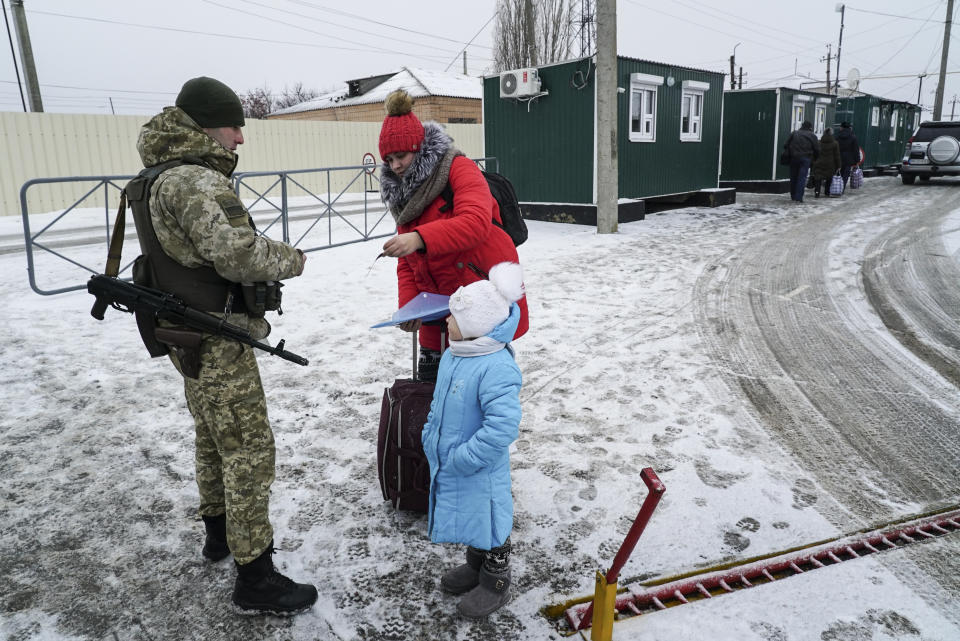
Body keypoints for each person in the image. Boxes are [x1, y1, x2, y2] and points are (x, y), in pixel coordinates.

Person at [134, 76, 317, 616]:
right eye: (234, 125)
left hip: (182, 331)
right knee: (248, 450)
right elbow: (238, 255)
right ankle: (255, 577)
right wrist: (292, 258)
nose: (240, 137)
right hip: (215, 336)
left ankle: (219, 533)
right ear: (207, 125)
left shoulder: (154, 177)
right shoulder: (193, 180)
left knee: (213, 436)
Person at [378, 89, 528, 382]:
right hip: (435, 308)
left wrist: (419, 238)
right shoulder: (402, 192)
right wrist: (410, 307)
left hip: (478, 299)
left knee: (478, 391)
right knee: (433, 393)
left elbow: (475, 222)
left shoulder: (459, 168)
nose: (395, 166)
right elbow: (407, 262)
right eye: (390, 159)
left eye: (401, 156)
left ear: (418, 148)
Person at [421, 262, 525, 619]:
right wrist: (429, 433)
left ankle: (496, 579)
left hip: (480, 465)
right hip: (456, 458)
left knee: (492, 519)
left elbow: (503, 426)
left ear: (475, 325)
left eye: (453, 317)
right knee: (472, 516)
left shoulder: (496, 367)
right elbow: (440, 401)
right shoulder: (455, 354)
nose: (446, 322)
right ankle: (475, 565)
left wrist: (467, 456)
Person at [784, 121, 820, 202]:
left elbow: (785, 145)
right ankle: (798, 197)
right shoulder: (812, 136)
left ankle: (793, 196)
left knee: (793, 177)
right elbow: (817, 149)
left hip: (794, 158)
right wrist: (815, 159)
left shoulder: (794, 133)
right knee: (802, 178)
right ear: (810, 127)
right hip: (805, 159)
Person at [811, 127, 841, 198]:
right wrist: (839, 165)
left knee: (818, 178)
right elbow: (837, 156)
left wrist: (813, 162)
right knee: (829, 177)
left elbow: (814, 153)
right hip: (830, 164)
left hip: (819, 163)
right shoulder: (835, 143)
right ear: (831, 134)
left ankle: (817, 192)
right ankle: (827, 192)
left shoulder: (819, 142)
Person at [836, 121, 860, 191]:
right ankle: (842, 189)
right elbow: (856, 150)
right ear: (850, 128)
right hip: (849, 159)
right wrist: (857, 161)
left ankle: (836, 187)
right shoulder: (853, 137)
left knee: (838, 173)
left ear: (842, 128)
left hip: (839, 157)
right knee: (845, 175)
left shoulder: (837, 136)